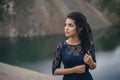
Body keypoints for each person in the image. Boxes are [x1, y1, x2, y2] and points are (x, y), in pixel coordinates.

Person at [52, 12, 96, 80]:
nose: (66, 28)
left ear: (80, 28)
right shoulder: (61, 46)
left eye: (70, 25)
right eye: (65, 25)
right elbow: (54, 71)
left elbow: (93, 67)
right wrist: (73, 70)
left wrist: (90, 62)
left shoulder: (89, 44)